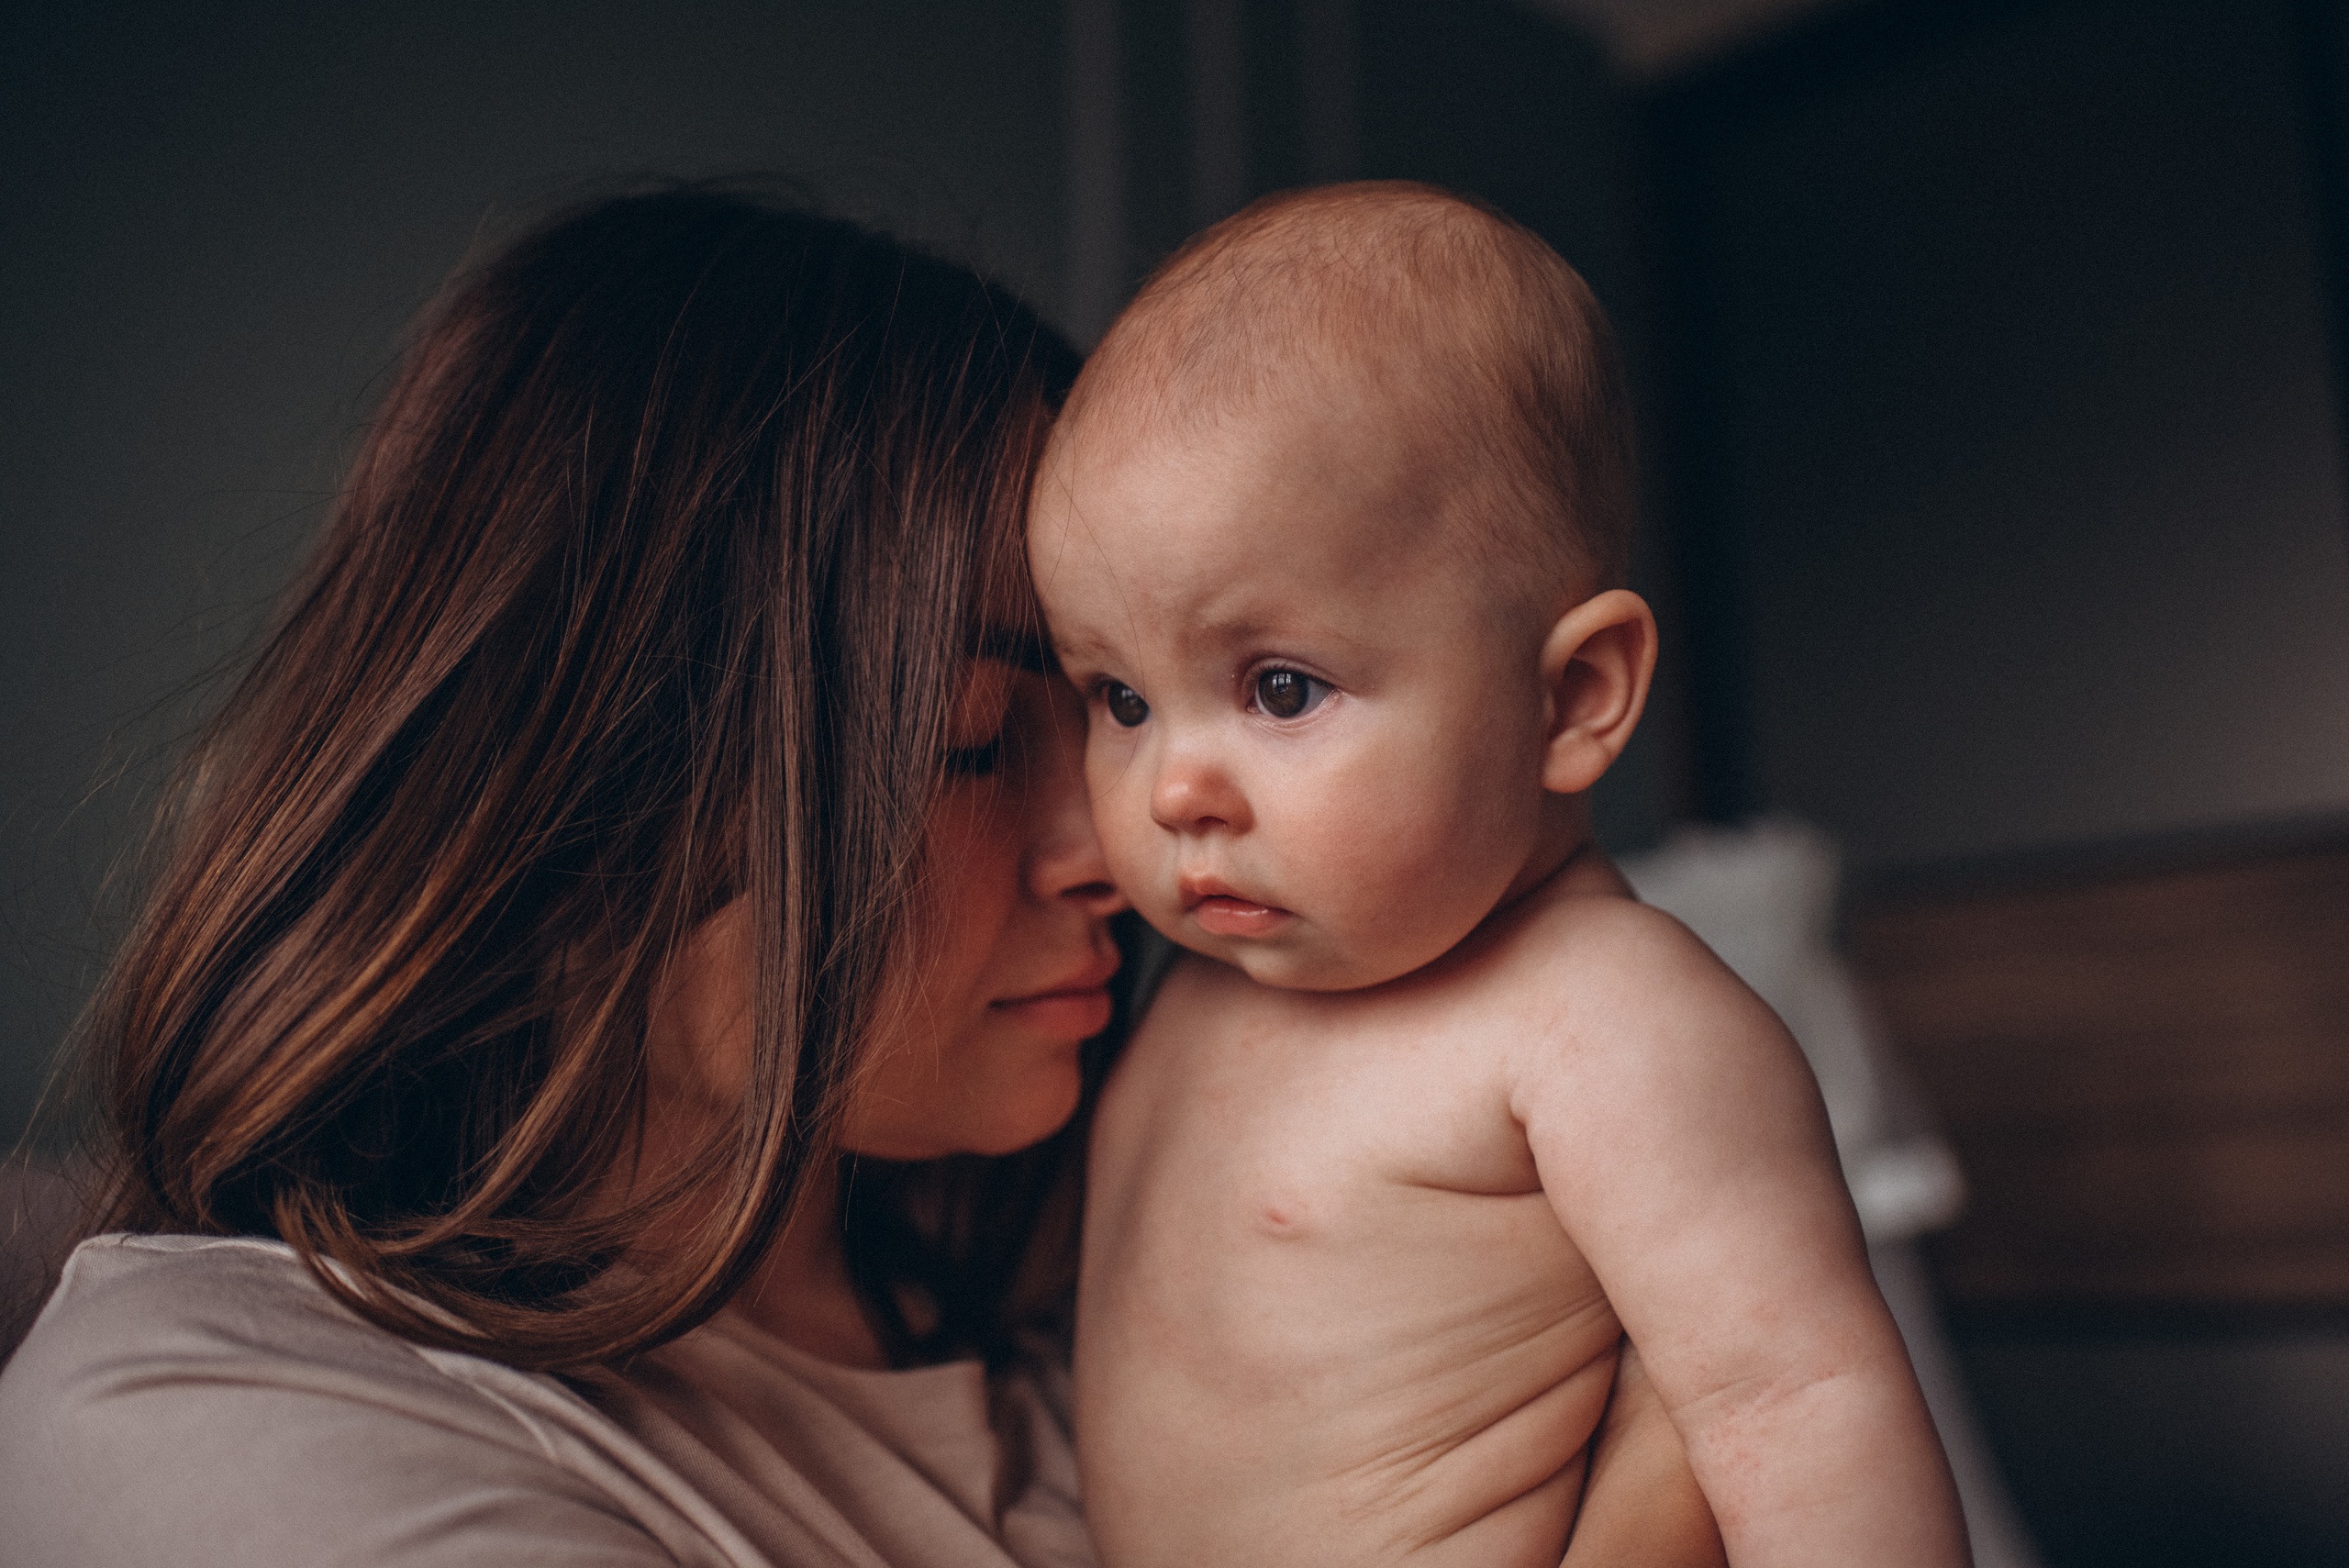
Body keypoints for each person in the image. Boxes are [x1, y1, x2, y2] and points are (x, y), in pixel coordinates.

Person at [0, 187, 1720, 1566]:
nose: (1114, 847)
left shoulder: (1123, 1339)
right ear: (595, 777)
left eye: (1111, 712)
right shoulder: (215, 1416)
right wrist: (1665, 1485)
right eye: (981, 740)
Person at [1030, 181, 1970, 1568]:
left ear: (1576, 695)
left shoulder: (1603, 1017)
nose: (1173, 790)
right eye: (1118, 698)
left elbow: (1796, 1401)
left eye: (1280, 687)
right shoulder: (1186, 981)